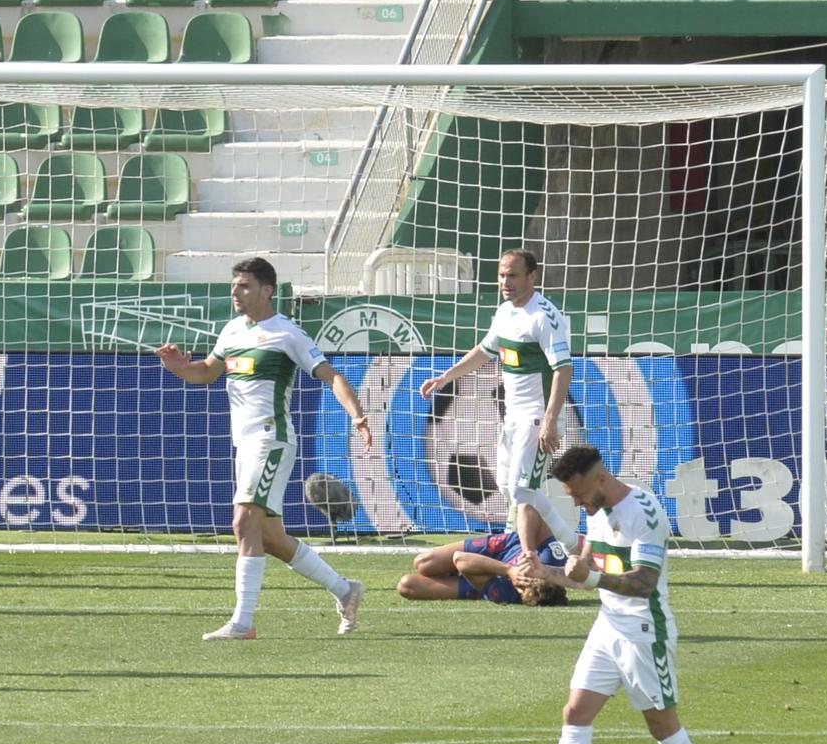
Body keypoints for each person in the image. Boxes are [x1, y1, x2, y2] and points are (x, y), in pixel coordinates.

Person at [505, 444, 717, 744]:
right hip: (608, 626)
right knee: (575, 712)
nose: (577, 502)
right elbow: (582, 570)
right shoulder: (597, 512)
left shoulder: (644, 513)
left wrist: (590, 579)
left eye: (579, 493)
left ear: (600, 478)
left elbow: (643, 583)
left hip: (643, 631)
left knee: (663, 727)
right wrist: (544, 571)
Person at [155, 257, 375, 641]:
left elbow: (331, 374)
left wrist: (356, 414)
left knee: (242, 521)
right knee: (270, 538)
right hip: (245, 442)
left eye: (243, 286)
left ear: (266, 290)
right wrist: (178, 366)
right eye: (234, 286)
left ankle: (243, 622)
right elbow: (206, 372)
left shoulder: (287, 333)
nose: (235, 293)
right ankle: (345, 590)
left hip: (270, 438)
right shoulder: (231, 331)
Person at [417, 249, 579, 548]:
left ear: (532, 276)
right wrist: (445, 377)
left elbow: (563, 369)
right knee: (507, 487)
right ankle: (516, 543)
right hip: (512, 417)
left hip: (537, 416)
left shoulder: (543, 317)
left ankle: (567, 545)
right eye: (502, 275)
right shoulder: (506, 312)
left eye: (513, 275)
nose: (506, 281)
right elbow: (484, 351)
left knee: (522, 490)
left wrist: (550, 420)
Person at [396, 505, 570, 607]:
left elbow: (460, 559)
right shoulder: (552, 559)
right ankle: (446, 570)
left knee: (407, 586)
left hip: (481, 576)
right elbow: (526, 508)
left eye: (522, 587)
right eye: (529, 578)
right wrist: (528, 552)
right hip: (501, 549)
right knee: (423, 562)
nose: (523, 580)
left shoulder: (506, 593)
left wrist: (509, 570)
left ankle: (456, 577)